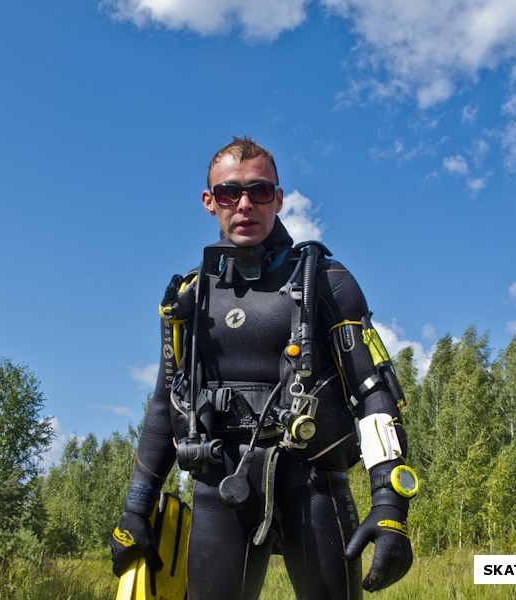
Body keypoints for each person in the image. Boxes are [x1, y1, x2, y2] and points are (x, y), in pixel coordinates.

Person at [111, 136, 417, 599]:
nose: (245, 204)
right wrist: (137, 509)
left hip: (314, 485)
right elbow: (164, 405)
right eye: (230, 192)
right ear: (209, 201)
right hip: (219, 489)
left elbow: (373, 392)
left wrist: (390, 505)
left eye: (259, 190)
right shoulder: (189, 298)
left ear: (279, 197)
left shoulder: (326, 281)